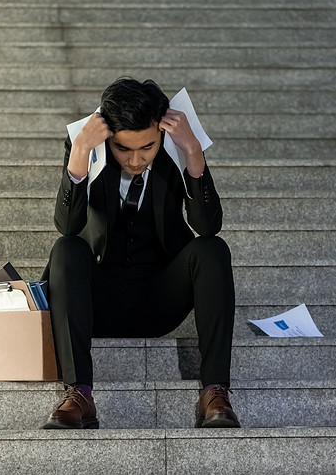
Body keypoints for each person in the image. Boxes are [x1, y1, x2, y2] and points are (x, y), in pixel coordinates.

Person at [41, 77, 239, 429]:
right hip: (98, 302)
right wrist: (80, 152)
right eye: (122, 148)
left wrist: (193, 151)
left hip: (159, 300)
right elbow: (68, 227)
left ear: (160, 133)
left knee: (213, 249)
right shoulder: (89, 149)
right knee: (66, 248)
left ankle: (214, 391)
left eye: (146, 147)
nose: (135, 160)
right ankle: (79, 394)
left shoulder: (175, 151)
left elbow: (207, 226)